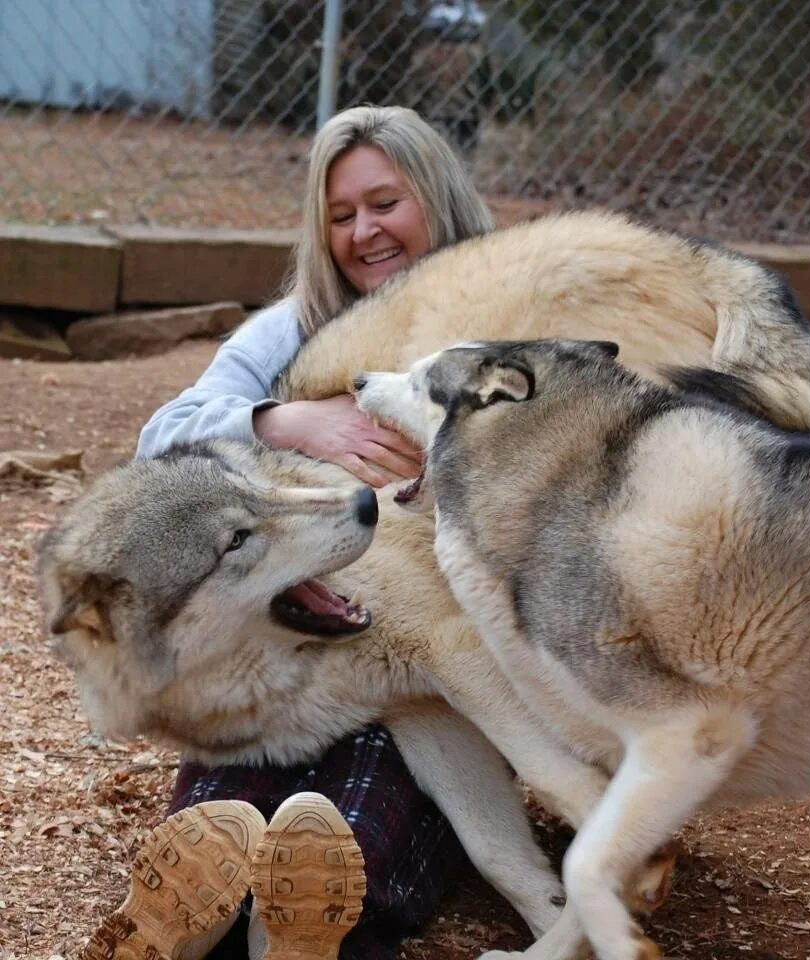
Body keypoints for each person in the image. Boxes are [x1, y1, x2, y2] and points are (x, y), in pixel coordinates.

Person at [85, 105, 495, 960]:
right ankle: (179, 917)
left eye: (385, 203)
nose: (364, 231)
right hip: (293, 632)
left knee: (376, 776)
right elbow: (164, 433)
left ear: (439, 198)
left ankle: (315, 921)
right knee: (235, 778)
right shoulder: (299, 325)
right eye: (340, 215)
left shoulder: (503, 321)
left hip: (423, 649)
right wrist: (286, 419)